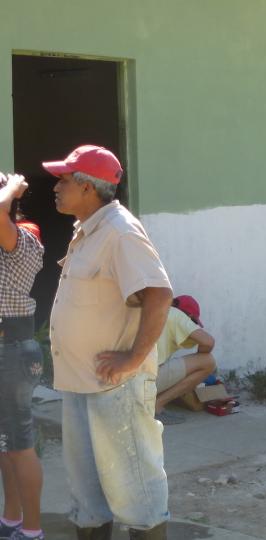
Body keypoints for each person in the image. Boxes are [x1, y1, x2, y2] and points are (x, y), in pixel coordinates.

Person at [43, 145, 172, 540]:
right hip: (81, 380)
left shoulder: (120, 231)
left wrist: (134, 357)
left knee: (136, 492)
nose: (56, 187)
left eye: (64, 180)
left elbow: (159, 294)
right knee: (88, 497)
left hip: (115, 384)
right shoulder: (90, 229)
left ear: (87, 187)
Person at [0, 172, 45, 540]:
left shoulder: (22, 237)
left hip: (11, 351)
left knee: (20, 442)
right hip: (6, 351)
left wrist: (10, 190)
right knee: (5, 445)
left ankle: (32, 531)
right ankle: (11, 518)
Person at [153, 295, 217, 425]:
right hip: (144, 381)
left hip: (124, 382)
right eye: (193, 322)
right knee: (208, 361)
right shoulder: (177, 314)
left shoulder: (156, 310)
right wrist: (200, 357)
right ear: (188, 316)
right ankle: (156, 406)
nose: (192, 325)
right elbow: (208, 342)